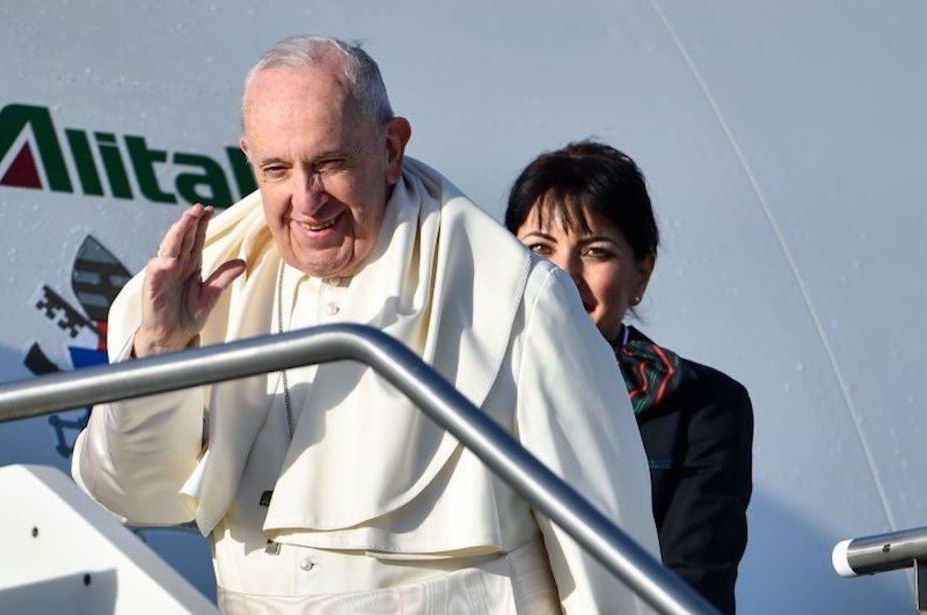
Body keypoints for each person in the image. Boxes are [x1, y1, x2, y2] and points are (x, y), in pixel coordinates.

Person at [73, 36, 660, 614]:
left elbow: (607, 559)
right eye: (277, 169)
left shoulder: (514, 297)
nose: (307, 201)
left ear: (391, 147)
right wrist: (160, 353)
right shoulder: (208, 286)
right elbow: (134, 494)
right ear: (248, 156)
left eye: (330, 163)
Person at [505, 140, 754, 614]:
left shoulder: (702, 406)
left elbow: (695, 585)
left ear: (640, 276)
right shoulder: (460, 386)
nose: (561, 275)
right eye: (539, 248)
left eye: (595, 252)